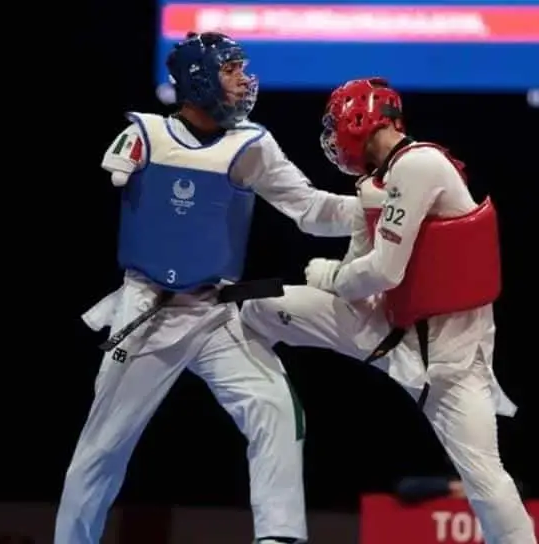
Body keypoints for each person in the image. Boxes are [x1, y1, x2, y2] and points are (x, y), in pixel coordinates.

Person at [54, 32, 358, 544]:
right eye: (231, 69)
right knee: (101, 449)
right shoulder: (143, 135)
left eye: (243, 68)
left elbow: (310, 210)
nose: (244, 80)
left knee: (273, 406)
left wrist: (380, 210)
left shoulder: (252, 145)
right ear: (198, 77)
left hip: (215, 310)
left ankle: (279, 537)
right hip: (146, 310)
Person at [240, 77, 536, 544]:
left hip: (449, 363)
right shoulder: (377, 184)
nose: (334, 137)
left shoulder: (420, 166)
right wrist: (334, 281)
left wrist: (328, 277)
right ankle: (269, 413)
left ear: (360, 119)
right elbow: (360, 279)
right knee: (254, 309)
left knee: (485, 481)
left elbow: (382, 271)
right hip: (382, 328)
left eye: (337, 124)